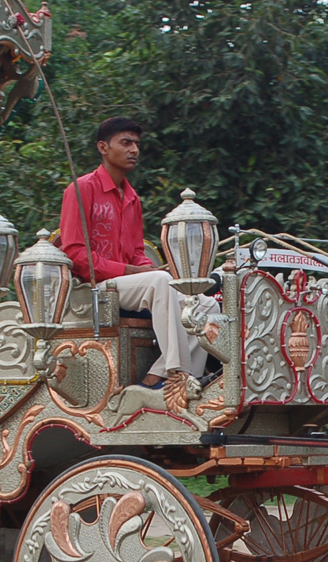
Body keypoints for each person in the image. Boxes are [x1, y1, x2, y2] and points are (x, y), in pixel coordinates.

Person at [57, 117, 215, 389]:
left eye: (137, 144)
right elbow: (76, 255)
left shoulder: (132, 198)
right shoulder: (81, 189)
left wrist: (151, 268)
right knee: (161, 282)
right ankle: (178, 372)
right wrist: (134, 271)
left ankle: (161, 374)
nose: (134, 150)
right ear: (103, 147)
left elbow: (136, 253)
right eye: (126, 143)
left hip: (126, 283)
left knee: (204, 302)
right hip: (95, 287)